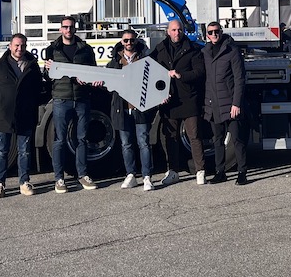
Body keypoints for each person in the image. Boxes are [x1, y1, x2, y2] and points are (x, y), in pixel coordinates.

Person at [0, 33, 44, 198]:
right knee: (2, 151)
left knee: (24, 151)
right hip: (4, 117)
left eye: (22, 45)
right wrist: (0, 105)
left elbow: (38, 89)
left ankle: (24, 182)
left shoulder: (32, 66)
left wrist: (31, 105)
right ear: (10, 46)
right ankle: (0, 185)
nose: (19, 48)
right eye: (16, 45)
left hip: (25, 116)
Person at [45, 16, 101, 193]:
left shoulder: (85, 49)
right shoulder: (52, 49)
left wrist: (90, 81)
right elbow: (47, 77)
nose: (68, 30)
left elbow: (93, 71)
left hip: (81, 99)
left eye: (71, 27)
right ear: (60, 29)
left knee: (82, 139)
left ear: (75, 29)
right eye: (65, 27)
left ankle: (83, 175)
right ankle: (59, 178)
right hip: (61, 99)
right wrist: (47, 70)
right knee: (60, 140)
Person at [150, 19, 206, 186]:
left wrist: (181, 75)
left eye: (179, 30)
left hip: (188, 98)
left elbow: (199, 72)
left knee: (194, 136)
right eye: (173, 30)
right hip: (169, 100)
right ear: (168, 32)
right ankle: (173, 171)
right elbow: (149, 69)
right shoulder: (160, 49)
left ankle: (200, 171)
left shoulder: (193, 49)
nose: (177, 33)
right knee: (170, 137)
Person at [202, 21, 250, 185]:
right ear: (207, 35)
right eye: (210, 32)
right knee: (217, 140)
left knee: (237, 139)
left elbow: (239, 79)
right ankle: (220, 172)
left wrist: (236, 103)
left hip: (230, 104)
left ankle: (242, 172)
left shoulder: (232, 50)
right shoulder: (205, 52)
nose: (214, 34)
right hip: (213, 104)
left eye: (216, 31)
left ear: (221, 32)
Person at [107, 29, 155, 191]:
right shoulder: (115, 61)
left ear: (136, 41)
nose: (129, 43)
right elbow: (108, 82)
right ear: (121, 42)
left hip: (140, 108)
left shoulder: (145, 59)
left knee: (144, 143)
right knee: (126, 144)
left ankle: (147, 176)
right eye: (126, 40)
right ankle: (131, 175)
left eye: (132, 40)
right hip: (122, 108)